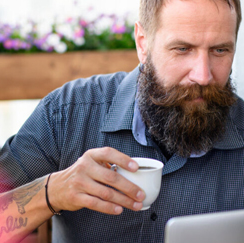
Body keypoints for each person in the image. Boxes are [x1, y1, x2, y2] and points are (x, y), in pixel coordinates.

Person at [0, 0, 243, 242]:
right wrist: (52, 192)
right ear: (142, 44)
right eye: (182, 49)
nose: (202, 75)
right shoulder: (66, 114)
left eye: (219, 50)